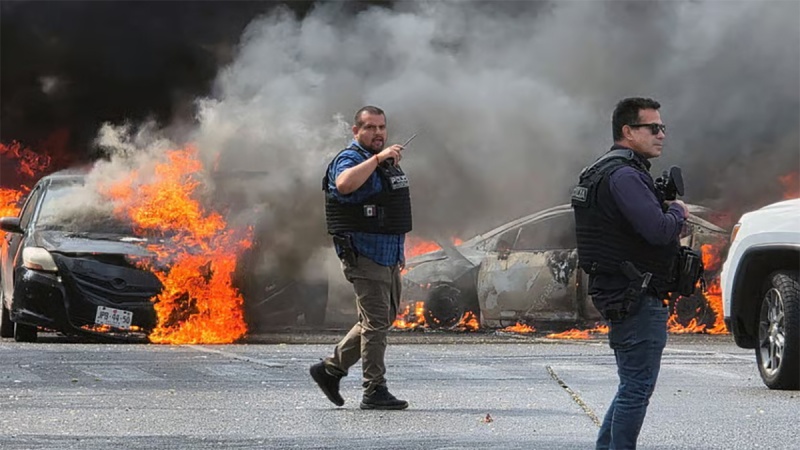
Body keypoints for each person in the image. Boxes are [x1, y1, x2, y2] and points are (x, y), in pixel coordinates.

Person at [571, 97, 689, 449]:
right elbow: (658, 230)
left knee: (630, 386)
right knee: (637, 389)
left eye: (663, 128)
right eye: (653, 128)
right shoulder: (625, 175)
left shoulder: (603, 170)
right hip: (636, 297)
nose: (661, 135)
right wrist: (678, 213)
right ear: (628, 131)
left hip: (622, 293)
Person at [310, 105, 411, 410]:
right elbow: (344, 184)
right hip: (364, 254)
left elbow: (391, 209)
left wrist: (399, 251)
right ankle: (374, 389)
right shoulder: (351, 158)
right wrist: (378, 158)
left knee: (379, 320)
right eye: (370, 127)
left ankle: (331, 369)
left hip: (387, 254)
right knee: (376, 323)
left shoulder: (384, 163)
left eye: (381, 127)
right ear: (356, 131)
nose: (378, 133)